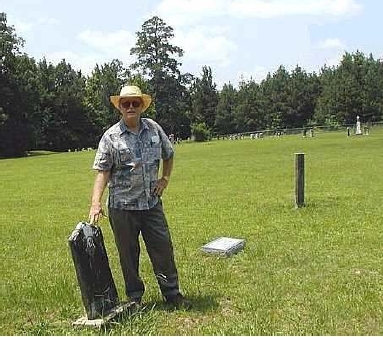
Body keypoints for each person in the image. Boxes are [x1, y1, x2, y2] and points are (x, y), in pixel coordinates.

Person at [88, 85, 190, 309]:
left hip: (151, 204)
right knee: (128, 255)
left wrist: (165, 179)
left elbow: (169, 154)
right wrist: (95, 203)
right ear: (120, 108)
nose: (131, 107)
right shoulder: (110, 137)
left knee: (162, 248)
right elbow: (102, 171)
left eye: (135, 103)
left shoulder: (154, 129)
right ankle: (134, 298)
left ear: (142, 105)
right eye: (126, 103)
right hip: (122, 207)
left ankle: (172, 294)